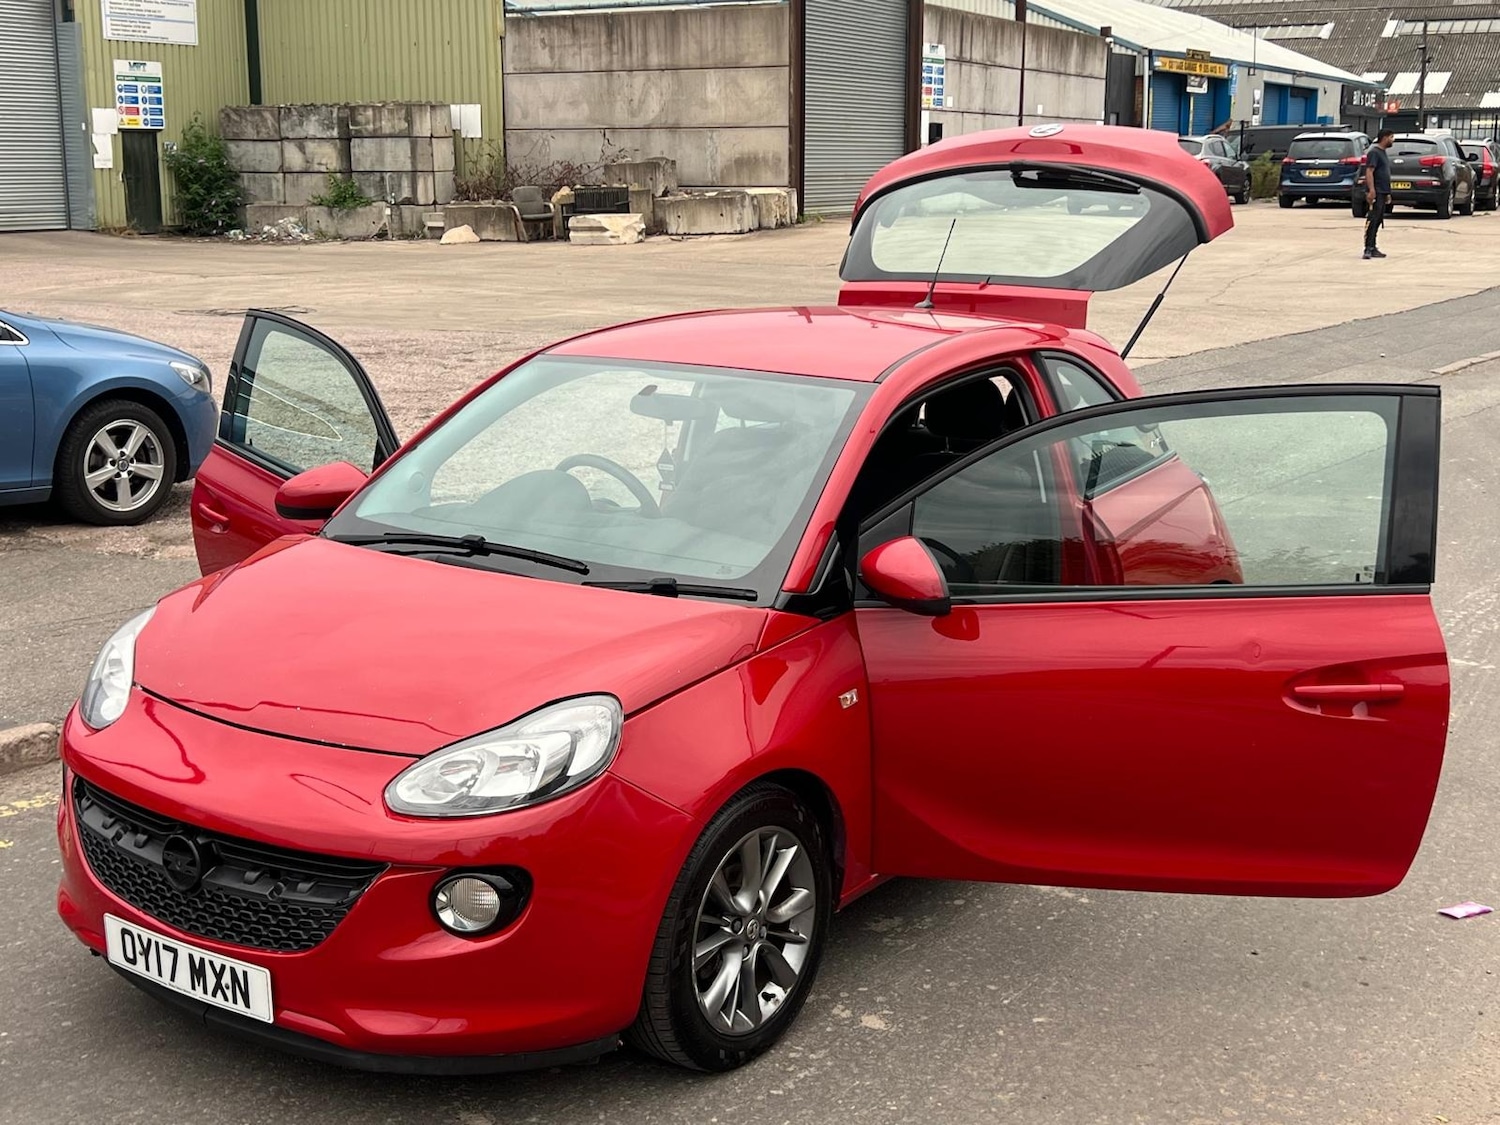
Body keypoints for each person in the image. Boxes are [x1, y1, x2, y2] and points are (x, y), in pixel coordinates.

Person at [1363, 129, 1395, 260]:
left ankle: (1373, 246)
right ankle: (1368, 248)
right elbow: (1369, 171)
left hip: (1383, 191)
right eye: (1392, 137)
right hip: (1376, 191)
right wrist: (1371, 190)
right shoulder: (1374, 153)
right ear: (1385, 138)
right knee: (1373, 219)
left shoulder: (1383, 153)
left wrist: (1387, 193)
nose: (1393, 140)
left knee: (1378, 219)